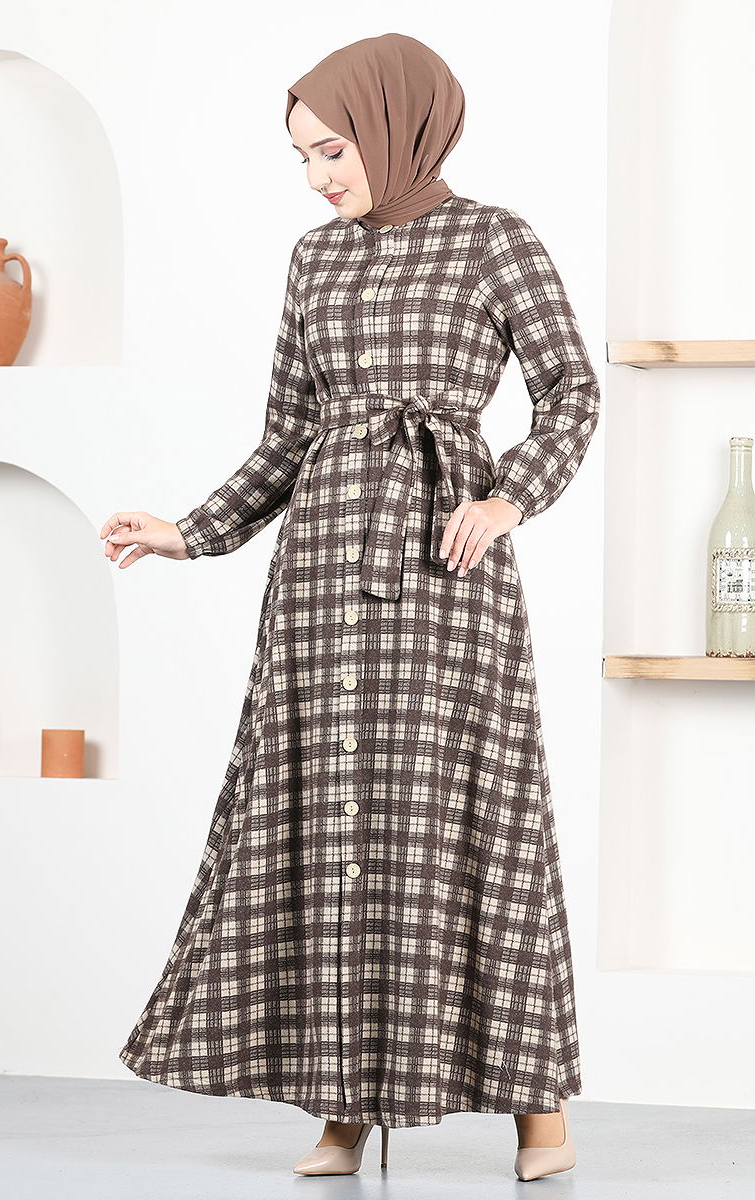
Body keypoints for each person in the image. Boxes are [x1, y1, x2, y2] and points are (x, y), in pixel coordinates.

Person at [102, 31, 599, 1184]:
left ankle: (537, 1111)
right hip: (320, 577)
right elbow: (287, 434)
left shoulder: (493, 239)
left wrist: (507, 498)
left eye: (332, 149)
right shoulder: (314, 260)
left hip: (443, 571)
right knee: (328, 826)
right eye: (302, 156)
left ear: (395, 126)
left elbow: (571, 392)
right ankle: (341, 1106)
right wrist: (190, 530)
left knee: (470, 822)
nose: (317, 176)